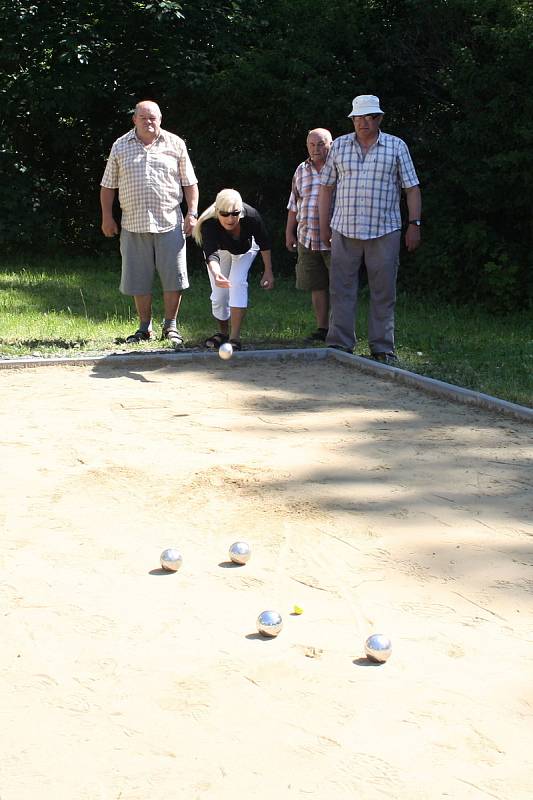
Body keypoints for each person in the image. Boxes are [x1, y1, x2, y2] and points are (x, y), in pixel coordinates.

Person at [319, 94, 421, 363]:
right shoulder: (339, 146)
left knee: (384, 291)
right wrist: (322, 227)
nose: (364, 122)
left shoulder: (396, 146)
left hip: (384, 230)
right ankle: (340, 344)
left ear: (379, 118)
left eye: (370, 117)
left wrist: (415, 224)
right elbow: (326, 188)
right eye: (359, 117)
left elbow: (412, 188)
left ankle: (382, 348)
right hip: (344, 228)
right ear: (352, 119)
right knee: (340, 288)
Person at [100, 100, 199, 349]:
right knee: (138, 279)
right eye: (143, 117)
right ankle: (144, 328)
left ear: (160, 119)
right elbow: (108, 185)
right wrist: (107, 217)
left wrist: (192, 213)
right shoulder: (120, 145)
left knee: (173, 278)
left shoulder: (175, 144)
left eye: (153, 117)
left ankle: (171, 326)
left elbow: (190, 183)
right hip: (133, 223)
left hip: (169, 222)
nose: (149, 122)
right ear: (134, 120)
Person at [192, 189, 274, 350]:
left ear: (241, 212)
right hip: (220, 252)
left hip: (245, 249)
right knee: (219, 295)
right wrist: (216, 275)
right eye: (225, 214)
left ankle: (234, 338)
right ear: (217, 212)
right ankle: (222, 333)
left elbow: (264, 243)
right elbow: (211, 254)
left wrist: (268, 271)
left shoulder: (251, 216)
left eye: (235, 213)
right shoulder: (209, 224)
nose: (230, 219)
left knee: (237, 282)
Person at [286, 128, 333, 342]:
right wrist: (289, 232)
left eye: (321, 144)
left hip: (334, 237)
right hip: (306, 236)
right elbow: (294, 204)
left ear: (330, 144)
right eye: (312, 144)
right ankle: (323, 329)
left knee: (340, 286)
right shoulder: (301, 169)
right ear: (306, 146)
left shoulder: (339, 167)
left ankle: (339, 331)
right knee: (316, 285)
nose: (316, 149)